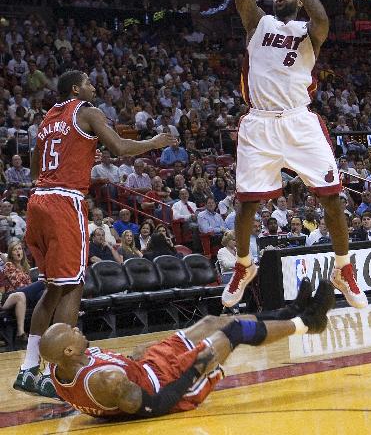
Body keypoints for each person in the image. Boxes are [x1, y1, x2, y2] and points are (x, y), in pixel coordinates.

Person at [222, 0, 367, 310]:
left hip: (300, 121)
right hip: (259, 122)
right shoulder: (258, 25)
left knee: (332, 198)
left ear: (297, 0)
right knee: (246, 205)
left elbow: (324, 18)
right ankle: (242, 265)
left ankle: (343, 268)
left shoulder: (309, 30)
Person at [14, 70, 177, 397]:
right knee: (73, 285)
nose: (93, 86)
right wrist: (155, 142)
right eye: (88, 82)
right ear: (76, 88)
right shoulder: (87, 110)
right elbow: (119, 148)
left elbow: (35, 168)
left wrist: (75, 156)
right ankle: (61, 369)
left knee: (54, 288)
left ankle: (30, 367)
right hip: (64, 201)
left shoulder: (48, 119)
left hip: (38, 201)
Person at [40, 280, 335, 419]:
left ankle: (289, 311)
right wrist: (193, 371)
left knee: (211, 320)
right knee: (231, 333)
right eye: (73, 332)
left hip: (147, 369)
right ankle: (308, 322)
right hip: (169, 384)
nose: (78, 330)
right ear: (68, 351)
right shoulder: (106, 381)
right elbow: (152, 406)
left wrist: (133, 356)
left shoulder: (58, 367)